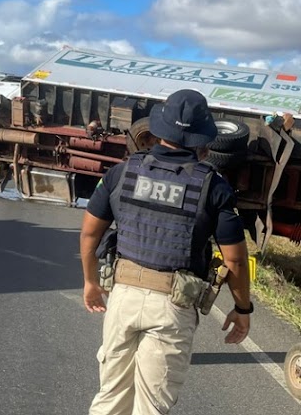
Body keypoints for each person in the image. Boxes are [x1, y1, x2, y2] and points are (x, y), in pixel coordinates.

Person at [79, 89, 252, 415]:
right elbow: (236, 259)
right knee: (151, 408)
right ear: (202, 139)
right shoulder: (213, 187)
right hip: (174, 306)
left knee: (110, 398)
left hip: (124, 297)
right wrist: (242, 308)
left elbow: (90, 232)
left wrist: (90, 282)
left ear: (159, 129)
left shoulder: (123, 172)